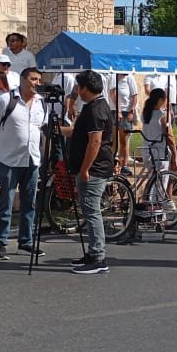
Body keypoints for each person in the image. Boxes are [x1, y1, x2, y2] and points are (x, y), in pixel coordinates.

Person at [0, 66, 46, 259]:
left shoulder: (41, 103)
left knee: (30, 203)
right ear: (22, 79)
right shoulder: (5, 100)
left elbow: (41, 127)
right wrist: (3, 145)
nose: (37, 83)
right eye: (33, 79)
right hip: (9, 160)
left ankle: (26, 241)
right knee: (6, 202)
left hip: (32, 159)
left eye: (39, 80)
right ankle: (0, 243)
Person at [62, 70, 115, 274]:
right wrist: (57, 129)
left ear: (85, 88)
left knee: (92, 212)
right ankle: (93, 253)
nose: (77, 91)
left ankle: (99, 257)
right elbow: (79, 134)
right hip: (90, 167)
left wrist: (85, 169)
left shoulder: (96, 109)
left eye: (78, 87)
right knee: (88, 210)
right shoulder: (93, 106)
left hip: (94, 168)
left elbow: (95, 141)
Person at [111, 72, 138, 172]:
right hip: (113, 111)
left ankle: (124, 165)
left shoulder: (129, 78)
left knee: (124, 141)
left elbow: (135, 96)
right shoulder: (113, 77)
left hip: (126, 112)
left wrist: (131, 111)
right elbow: (112, 93)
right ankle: (113, 164)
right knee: (113, 140)